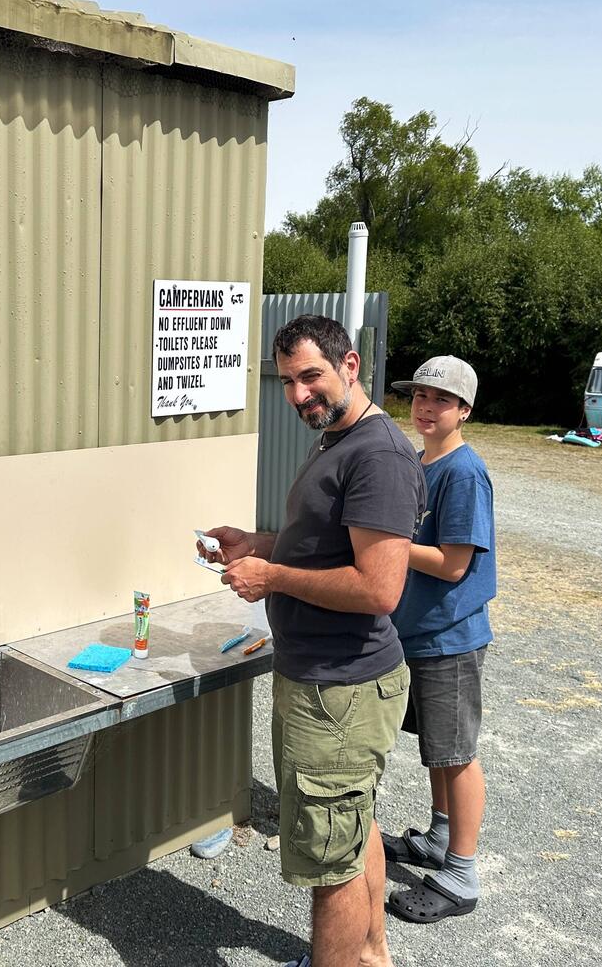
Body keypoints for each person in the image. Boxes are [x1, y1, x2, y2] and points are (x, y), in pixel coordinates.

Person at [201, 314, 425, 967]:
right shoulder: (337, 437)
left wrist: (271, 576)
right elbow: (326, 548)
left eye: (311, 376)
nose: (299, 394)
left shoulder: (377, 455)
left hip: (339, 693)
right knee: (352, 828)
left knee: (330, 865)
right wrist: (259, 544)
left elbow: (379, 589)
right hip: (330, 686)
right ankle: (371, 956)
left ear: (350, 366)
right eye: (287, 382)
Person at [381, 356, 496, 925]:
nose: (426, 408)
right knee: (437, 748)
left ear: (464, 410)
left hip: (450, 637)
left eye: (441, 400)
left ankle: (461, 875)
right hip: (419, 634)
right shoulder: (421, 459)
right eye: (420, 397)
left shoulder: (464, 472)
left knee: (458, 755)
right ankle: (439, 838)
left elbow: (454, 564)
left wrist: (387, 543)